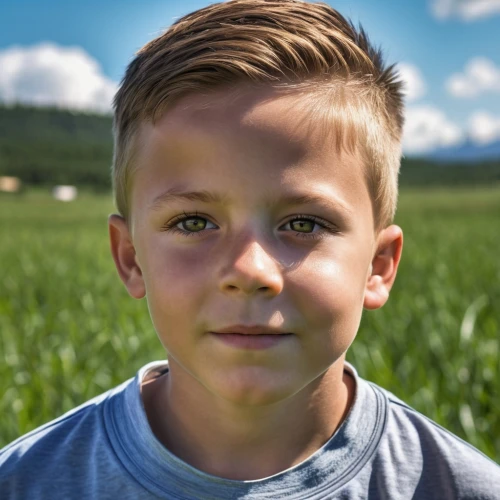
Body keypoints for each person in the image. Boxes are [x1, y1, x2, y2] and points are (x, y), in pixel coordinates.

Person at [1, 0, 499, 498]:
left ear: (378, 265)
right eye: (193, 222)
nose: (250, 269)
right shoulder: (25, 482)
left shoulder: (459, 488)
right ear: (130, 258)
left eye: (303, 223)